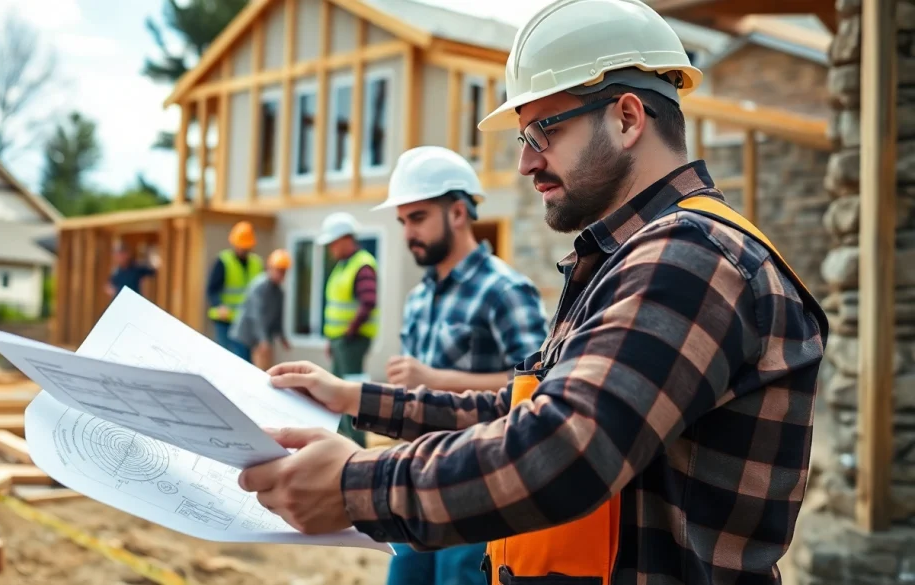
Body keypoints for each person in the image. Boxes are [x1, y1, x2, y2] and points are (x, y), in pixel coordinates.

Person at [238, 1, 829, 584]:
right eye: (524, 136)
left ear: (627, 118)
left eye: (544, 129)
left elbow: (566, 447)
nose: (525, 162)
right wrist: (356, 399)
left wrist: (357, 486)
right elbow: (523, 409)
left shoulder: (692, 257)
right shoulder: (633, 258)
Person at [373, 145, 550, 585]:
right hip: (416, 483)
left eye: (417, 218)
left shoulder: (506, 290)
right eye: (403, 222)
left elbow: (538, 388)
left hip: (476, 486)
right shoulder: (418, 299)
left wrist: (434, 380)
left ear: (456, 212)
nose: (407, 233)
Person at [317, 211, 377, 447]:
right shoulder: (344, 266)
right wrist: (332, 340)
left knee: (351, 390)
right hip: (340, 340)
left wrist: (349, 332)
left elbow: (368, 302)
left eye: (333, 243)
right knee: (337, 389)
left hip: (352, 340)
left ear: (345, 239)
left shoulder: (362, 265)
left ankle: (358, 443)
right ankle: (343, 439)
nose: (331, 248)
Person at [206, 221, 264, 360]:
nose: (243, 250)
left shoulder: (256, 263)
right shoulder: (224, 261)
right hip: (225, 321)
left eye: (246, 247)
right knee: (226, 358)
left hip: (245, 321)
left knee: (244, 359)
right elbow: (212, 289)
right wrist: (219, 305)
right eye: (241, 246)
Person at [229, 249, 293, 369]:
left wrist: (282, 337)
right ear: (270, 268)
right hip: (244, 335)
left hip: (257, 338)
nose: (281, 275)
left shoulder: (279, 292)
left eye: (283, 271)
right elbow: (256, 316)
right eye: (279, 270)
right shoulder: (259, 286)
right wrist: (263, 339)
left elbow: (277, 317)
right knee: (242, 369)